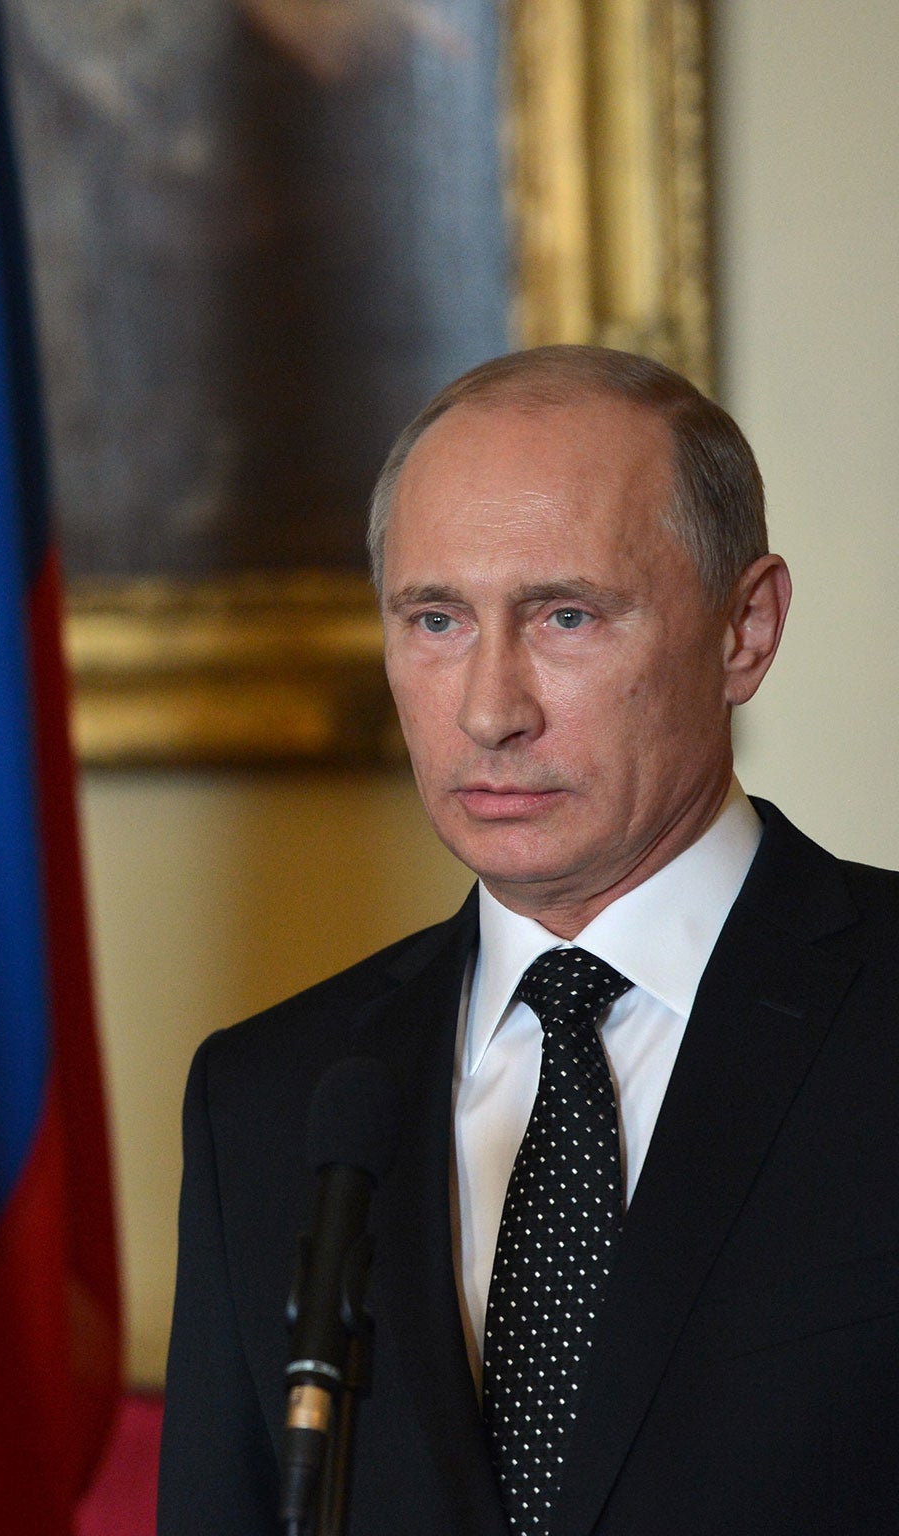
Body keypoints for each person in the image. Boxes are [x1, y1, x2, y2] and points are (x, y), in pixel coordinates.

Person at [159, 345, 899, 1534]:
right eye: (436, 619)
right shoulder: (267, 1099)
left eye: (564, 615)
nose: (489, 708)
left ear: (743, 630)